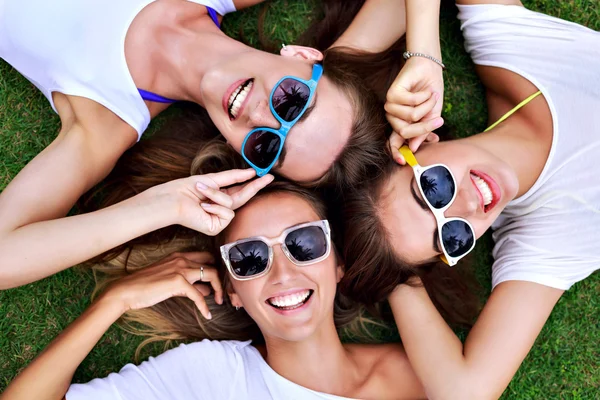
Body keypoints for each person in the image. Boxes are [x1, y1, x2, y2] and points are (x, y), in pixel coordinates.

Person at [0, 0, 412, 289]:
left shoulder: (104, 120)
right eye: (293, 101)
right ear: (303, 55)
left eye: (267, 147)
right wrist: (424, 54)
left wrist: (162, 207)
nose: (260, 117)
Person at [342, 0, 600, 398]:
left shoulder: (513, 51)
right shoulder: (546, 241)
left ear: (417, 143)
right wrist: (392, 272)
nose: (466, 208)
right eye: (451, 238)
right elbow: (465, 393)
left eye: (433, 189)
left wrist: (424, 55)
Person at [1, 181, 427, 400]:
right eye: (249, 258)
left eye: (304, 242)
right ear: (233, 290)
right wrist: (116, 301)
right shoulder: (215, 376)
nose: (282, 272)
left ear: (338, 263)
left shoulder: (420, 374)